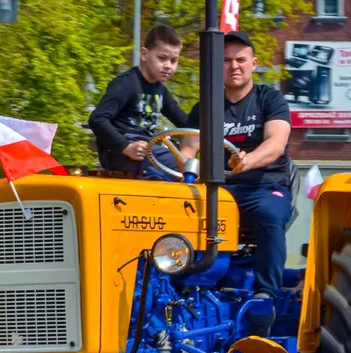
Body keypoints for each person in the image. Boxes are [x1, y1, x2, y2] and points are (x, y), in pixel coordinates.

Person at [183, 31, 293, 336]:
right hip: (221, 189)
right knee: (179, 213)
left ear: (253, 63)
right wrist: (180, 174)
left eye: (240, 60)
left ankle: (265, 297)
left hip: (263, 186)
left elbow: (276, 143)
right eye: (227, 60)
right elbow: (189, 149)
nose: (234, 66)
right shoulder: (206, 106)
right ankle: (184, 289)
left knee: (270, 215)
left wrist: (249, 160)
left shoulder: (270, 99)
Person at [88, 24, 191, 177]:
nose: (168, 66)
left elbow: (185, 123)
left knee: (191, 164)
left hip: (147, 150)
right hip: (122, 152)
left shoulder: (160, 89)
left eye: (174, 60)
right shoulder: (126, 84)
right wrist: (126, 147)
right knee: (180, 164)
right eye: (162, 58)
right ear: (144, 55)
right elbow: (97, 119)